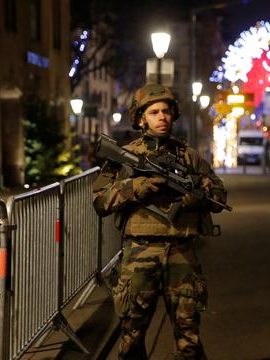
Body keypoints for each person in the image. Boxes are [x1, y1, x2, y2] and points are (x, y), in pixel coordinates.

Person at [91, 83, 227, 359]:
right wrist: (136, 187)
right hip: (141, 253)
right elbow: (100, 202)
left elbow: (220, 197)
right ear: (141, 118)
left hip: (182, 254)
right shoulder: (126, 157)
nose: (162, 117)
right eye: (154, 112)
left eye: (166, 111)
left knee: (189, 338)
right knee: (132, 337)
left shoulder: (188, 157)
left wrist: (199, 194)